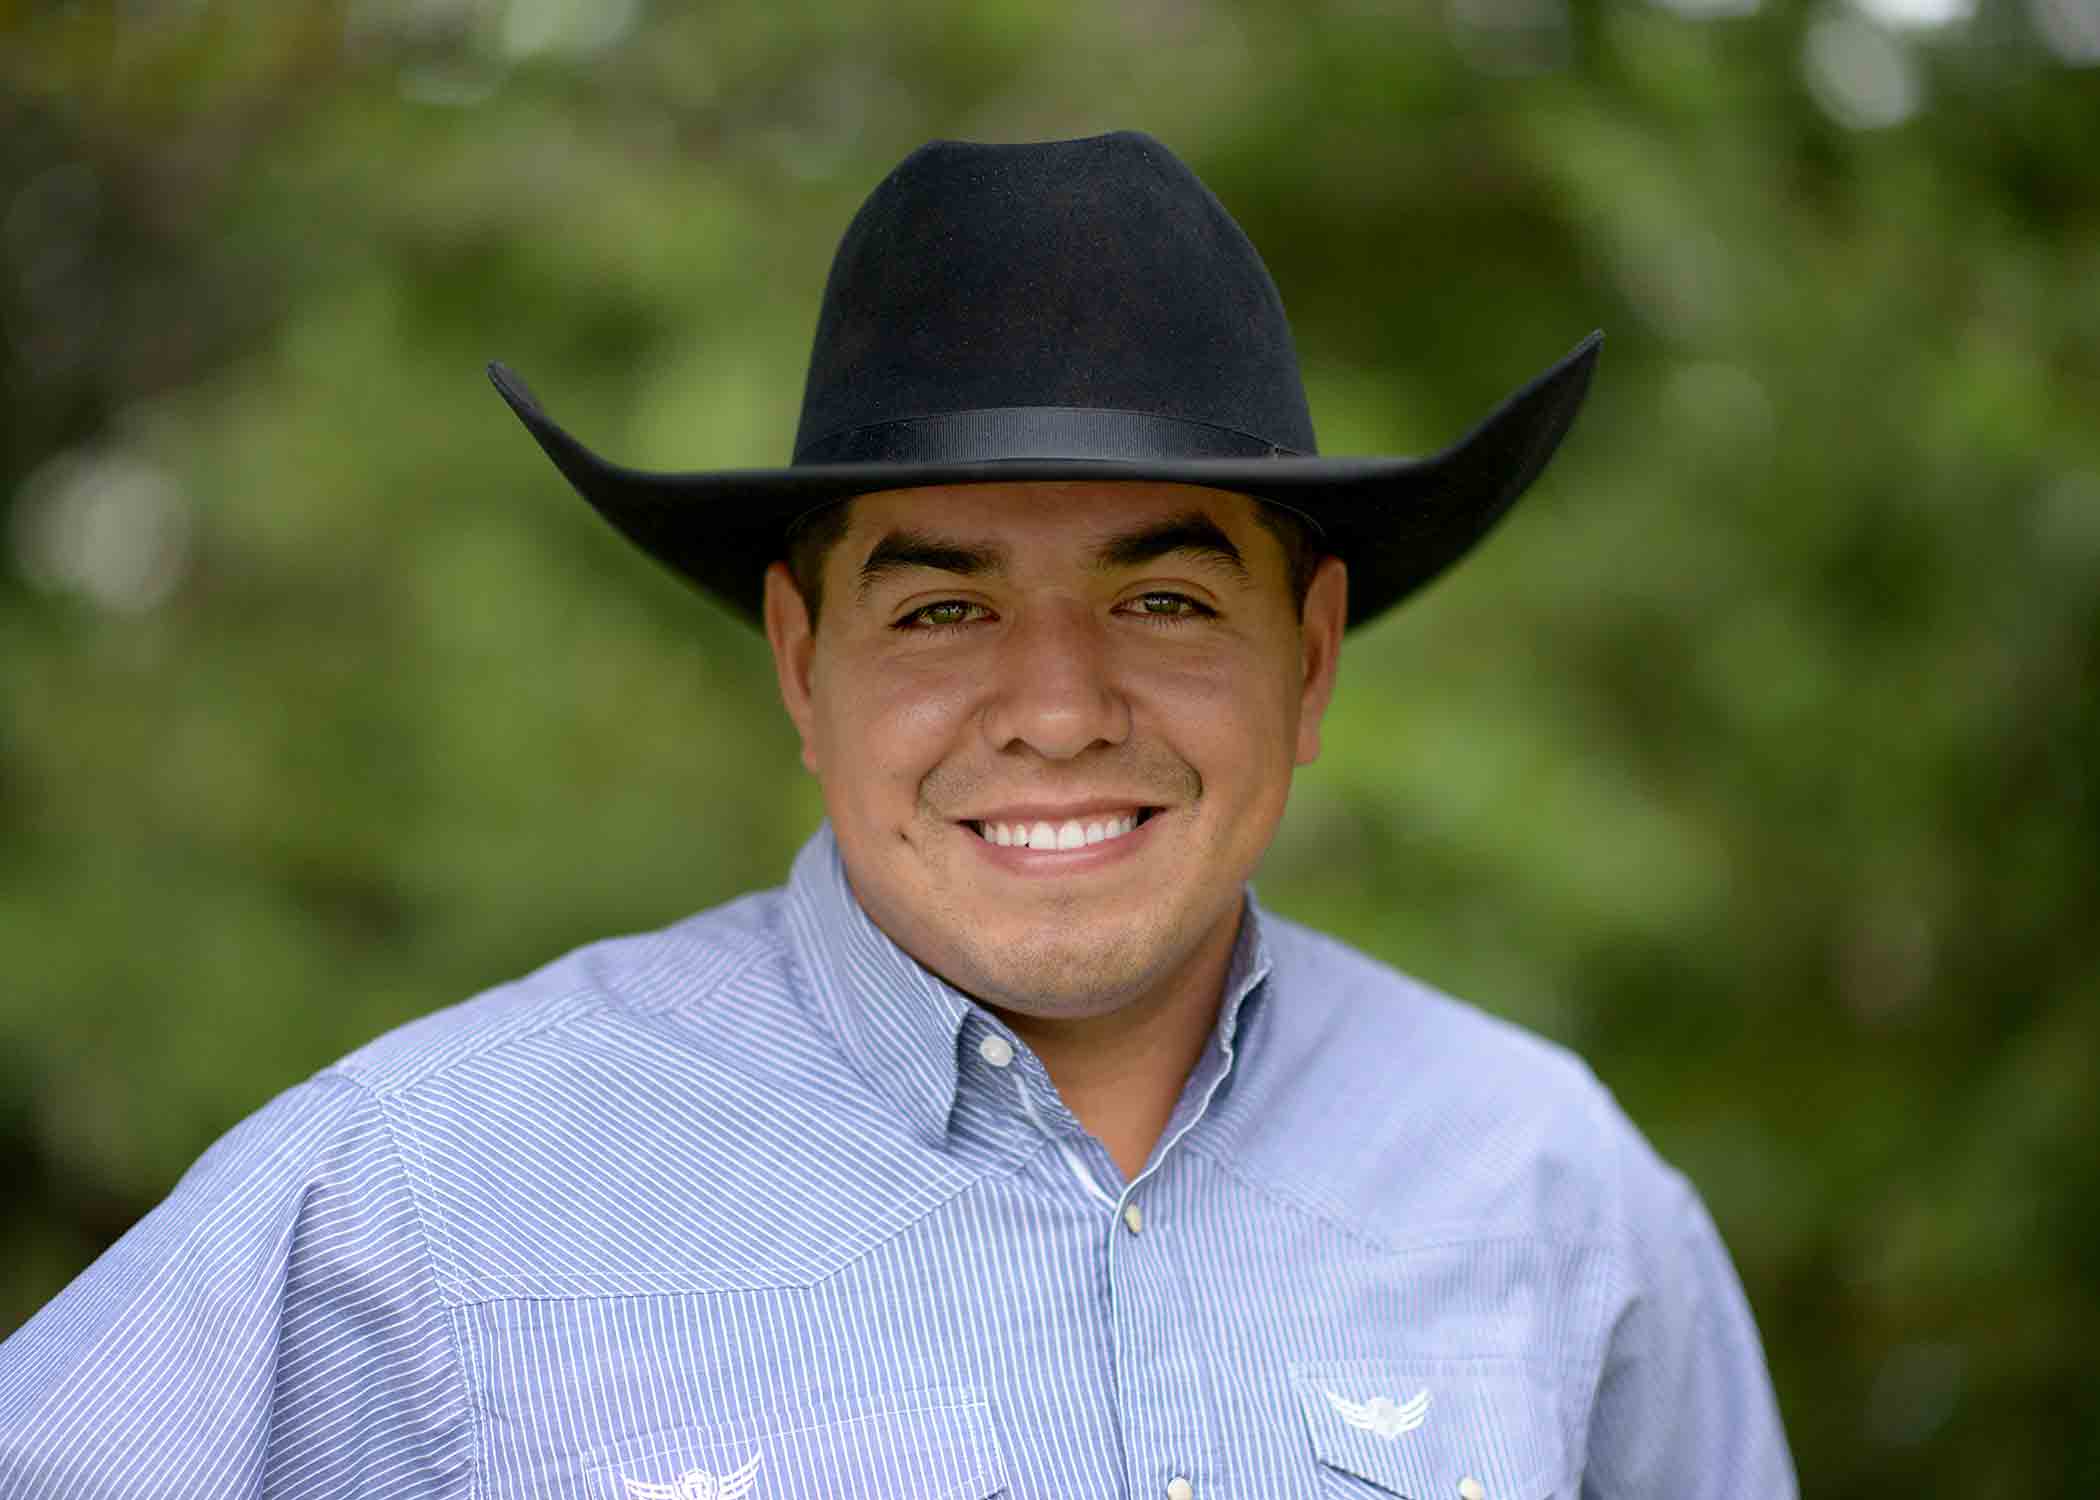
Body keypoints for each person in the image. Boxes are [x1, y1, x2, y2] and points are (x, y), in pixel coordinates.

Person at [0, 131, 1794, 1499]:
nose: (1059, 710)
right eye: (942, 609)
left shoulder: (1554, 1198)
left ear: (1310, 659)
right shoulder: (414, 1202)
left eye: (1165, 602)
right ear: (801, 664)